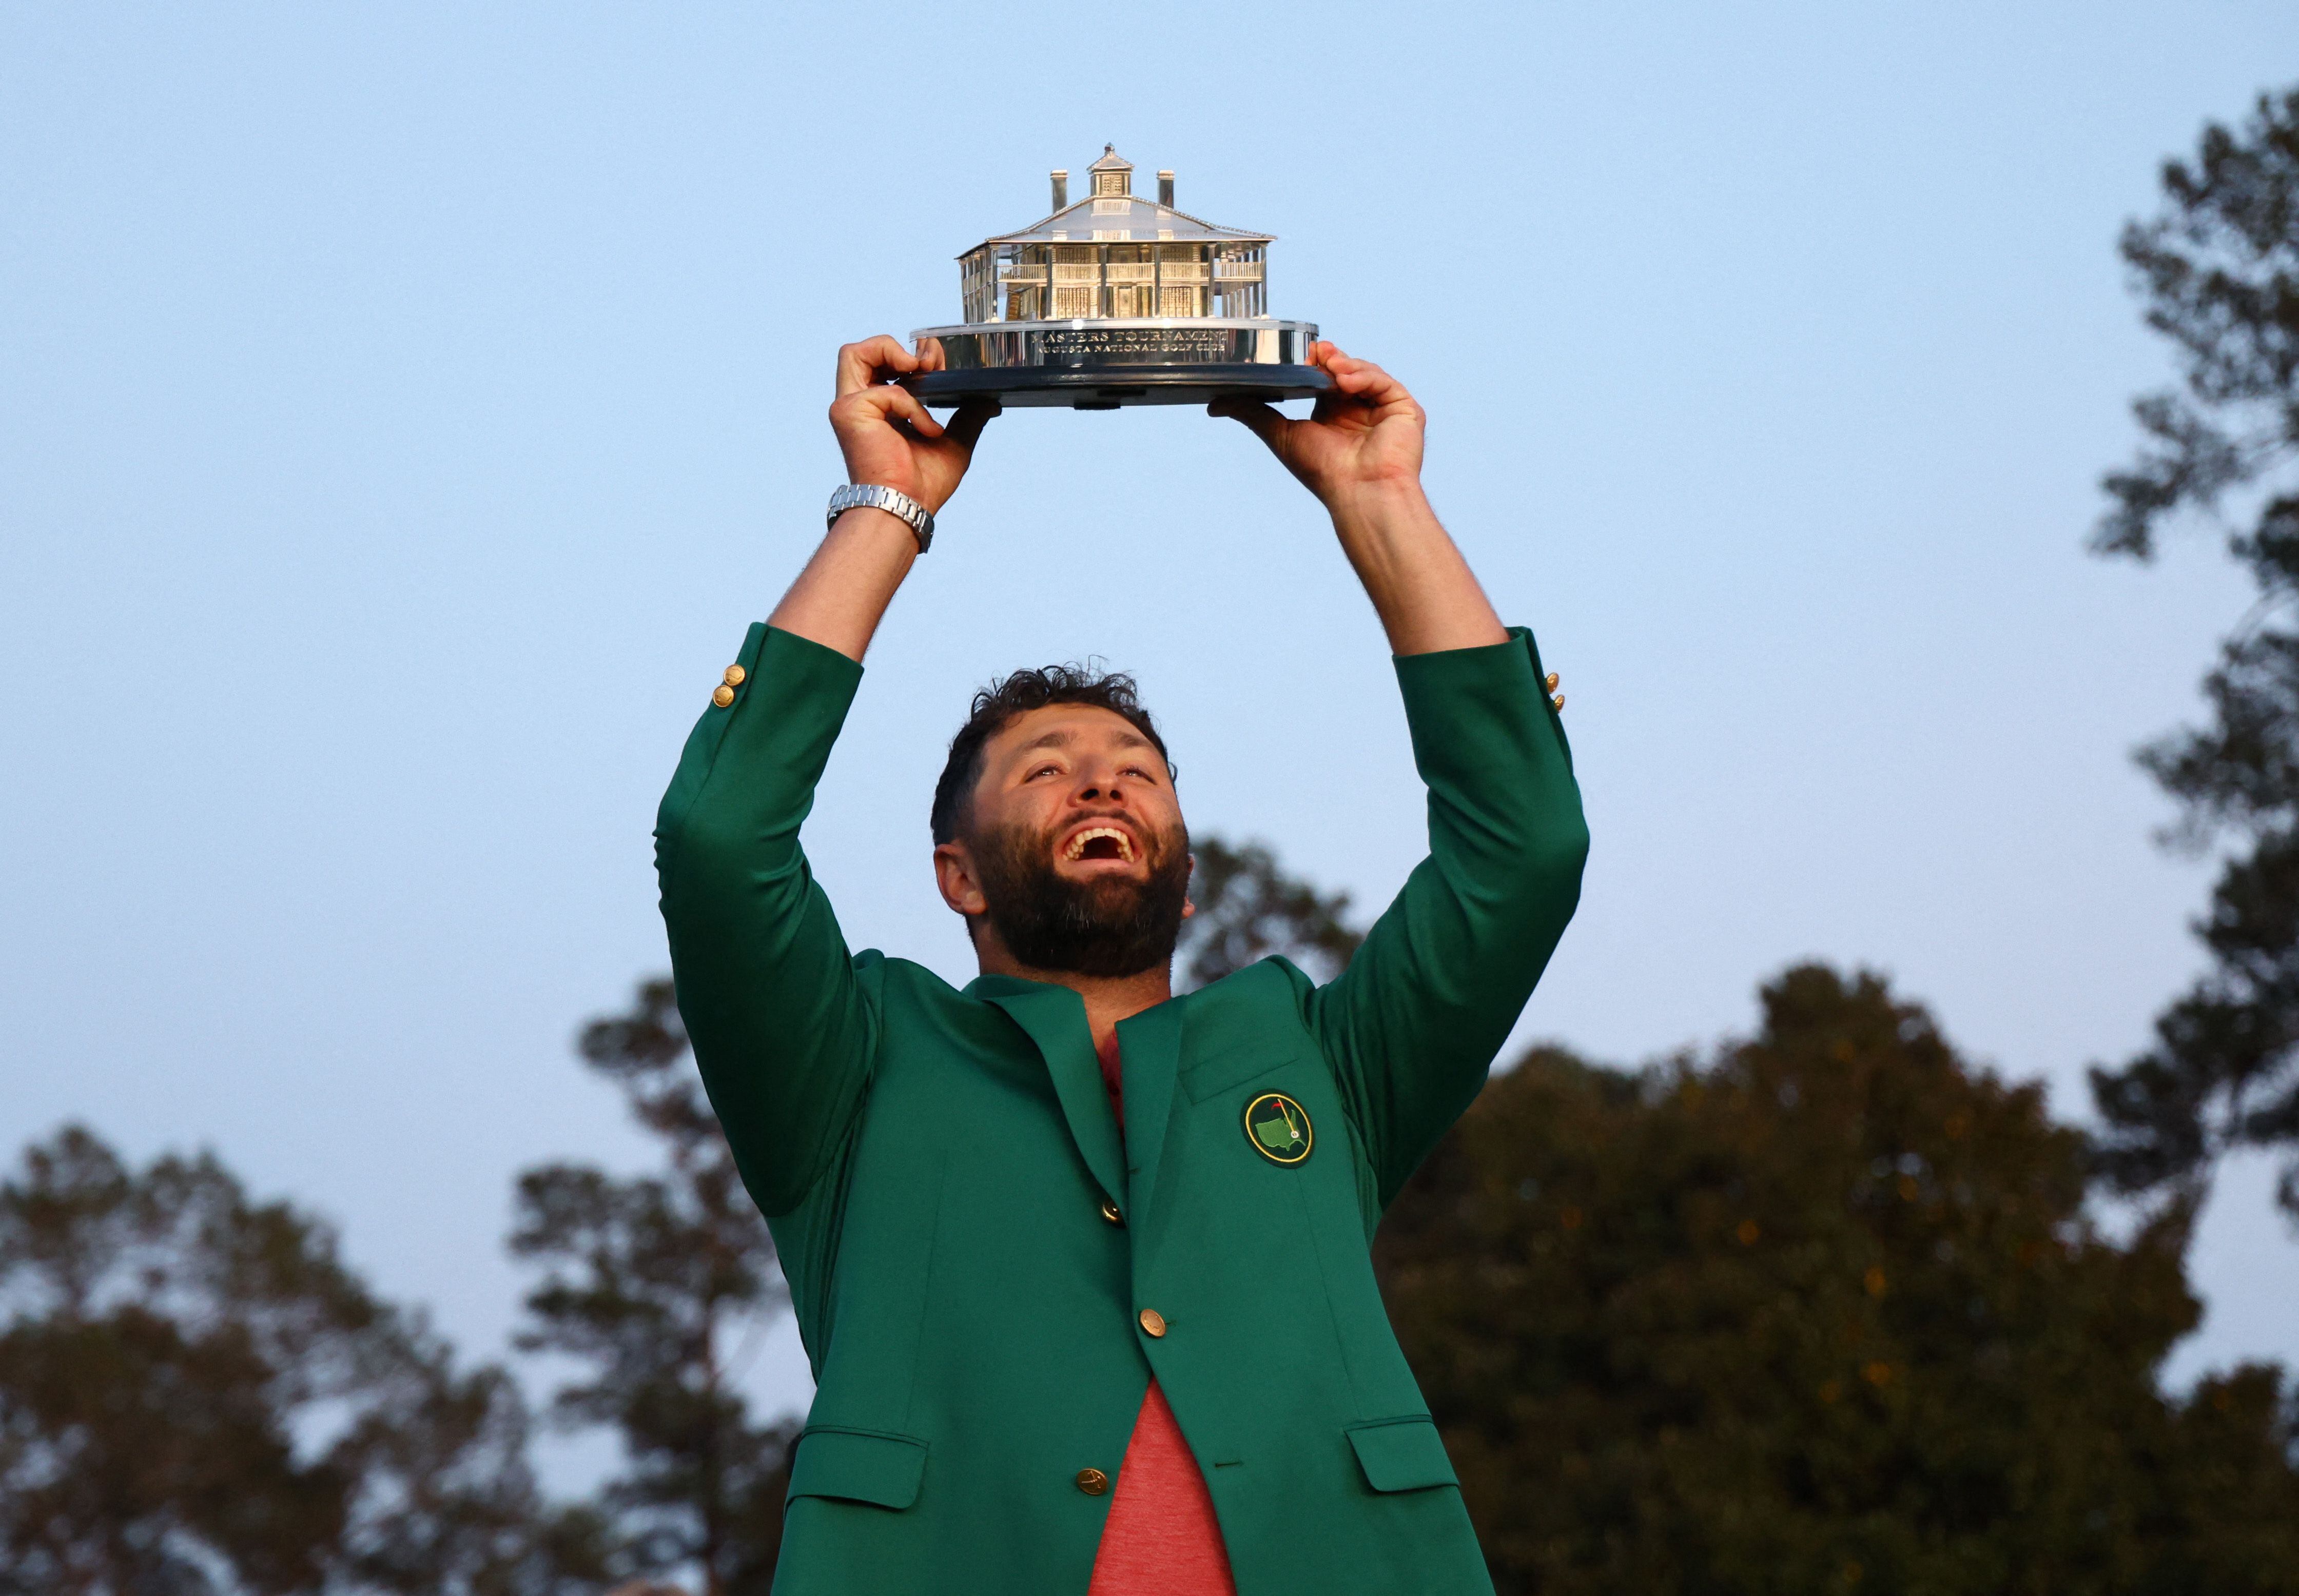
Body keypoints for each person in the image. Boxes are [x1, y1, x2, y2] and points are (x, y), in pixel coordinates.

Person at [655, 336, 1588, 1595]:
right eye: (1042, 769)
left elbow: (1521, 849)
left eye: (1135, 771)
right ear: (959, 875)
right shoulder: (852, 1067)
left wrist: (1379, 505)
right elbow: (719, 839)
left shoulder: (1319, 1062)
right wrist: (888, 508)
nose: (1100, 777)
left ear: (1186, 874)